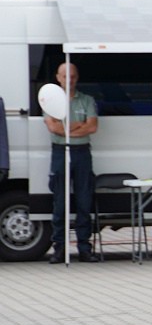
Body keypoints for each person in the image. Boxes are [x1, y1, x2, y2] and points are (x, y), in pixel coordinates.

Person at [44, 62, 98, 264]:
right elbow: (53, 128)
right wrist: (77, 125)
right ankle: (59, 249)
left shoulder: (87, 100)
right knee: (60, 203)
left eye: (73, 76)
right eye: (65, 76)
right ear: (58, 78)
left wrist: (66, 127)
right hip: (60, 152)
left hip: (82, 153)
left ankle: (84, 248)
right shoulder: (49, 100)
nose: (70, 80)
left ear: (78, 77)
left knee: (84, 202)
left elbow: (92, 127)